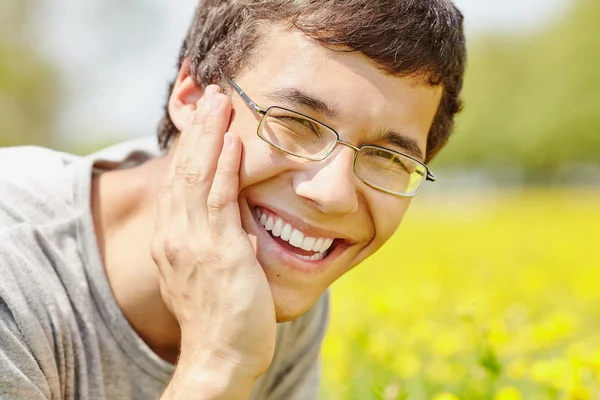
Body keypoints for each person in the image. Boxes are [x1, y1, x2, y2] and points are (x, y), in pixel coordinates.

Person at [0, 0, 466, 399]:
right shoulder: (14, 276)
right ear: (192, 96)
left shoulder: (274, 264)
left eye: (386, 157)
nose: (333, 195)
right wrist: (216, 365)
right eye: (296, 123)